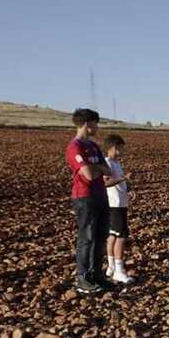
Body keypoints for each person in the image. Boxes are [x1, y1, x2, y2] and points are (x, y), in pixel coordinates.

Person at [65, 108, 113, 294]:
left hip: (100, 195)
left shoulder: (94, 147)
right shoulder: (75, 147)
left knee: (100, 236)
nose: (97, 127)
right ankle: (82, 277)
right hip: (84, 196)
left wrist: (96, 168)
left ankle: (97, 275)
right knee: (87, 237)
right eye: (95, 123)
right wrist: (98, 168)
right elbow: (89, 175)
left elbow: (107, 171)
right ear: (87, 124)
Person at [103, 134, 135, 284]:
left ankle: (111, 267)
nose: (122, 151)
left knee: (113, 236)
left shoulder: (116, 163)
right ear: (114, 147)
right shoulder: (107, 163)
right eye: (121, 148)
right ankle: (119, 271)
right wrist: (124, 178)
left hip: (120, 203)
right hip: (114, 204)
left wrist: (128, 187)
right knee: (121, 236)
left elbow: (119, 181)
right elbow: (106, 183)